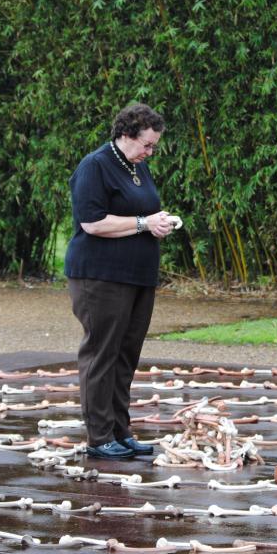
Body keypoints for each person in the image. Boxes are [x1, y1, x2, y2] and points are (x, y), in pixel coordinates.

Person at [65, 102, 175, 459]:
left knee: (126, 355)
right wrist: (144, 223)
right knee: (101, 354)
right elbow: (92, 223)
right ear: (126, 135)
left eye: (154, 145)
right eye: (147, 144)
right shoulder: (95, 166)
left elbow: (139, 212)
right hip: (100, 277)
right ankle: (99, 437)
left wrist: (157, 223)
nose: (151, 151)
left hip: (137, 276)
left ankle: (120, 430)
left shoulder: (137, 167)